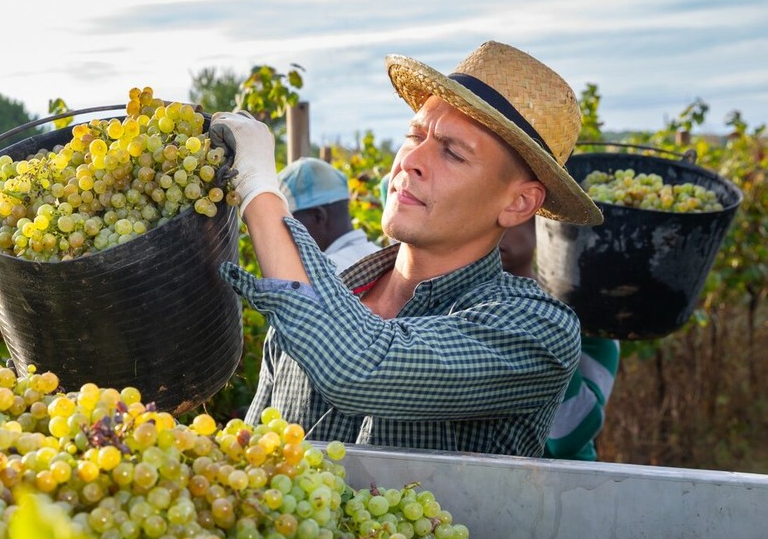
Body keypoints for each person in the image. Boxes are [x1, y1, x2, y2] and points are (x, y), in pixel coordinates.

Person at [209, 40, 604, 457]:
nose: (411, 160)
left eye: (452, 153)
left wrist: (258, 190)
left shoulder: (536, 328)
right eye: (414, 135)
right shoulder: (326, 293)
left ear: (518, 203)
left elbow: (357, 368)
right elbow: (248, 458)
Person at [498, 218, 621, 460]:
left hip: (566, 487)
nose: (498, 223)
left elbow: (571, 433)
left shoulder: (586, 316)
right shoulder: (441, 299)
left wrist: (534, 321)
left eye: (516, 211)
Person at [278, 157, 382, 272]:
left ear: (318, 216)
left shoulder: (322, 275)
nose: (287, 233)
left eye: (291, 223)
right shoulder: (381, 256)